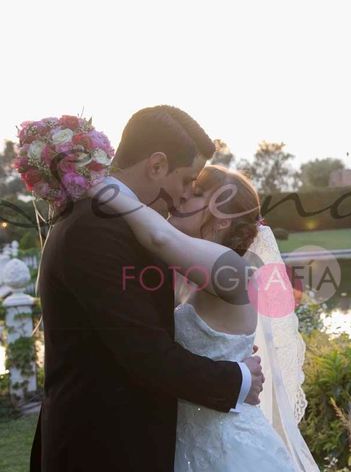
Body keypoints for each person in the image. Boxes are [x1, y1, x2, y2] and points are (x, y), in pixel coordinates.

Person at [29, 106, 264, 472]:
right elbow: (145, 353)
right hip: (101, 449)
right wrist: (237, 378)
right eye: (187, 180)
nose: (184, 195)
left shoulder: (114, 220)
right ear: (156, 166)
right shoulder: (97, 228)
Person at [90, 164, 319, 471]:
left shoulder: (232, 270)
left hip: (231, 450)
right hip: (188, 443)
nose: (182, 195)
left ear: (222, 219)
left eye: (196, 193)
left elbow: (160, 237)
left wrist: (101, 186)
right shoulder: (186, 271)